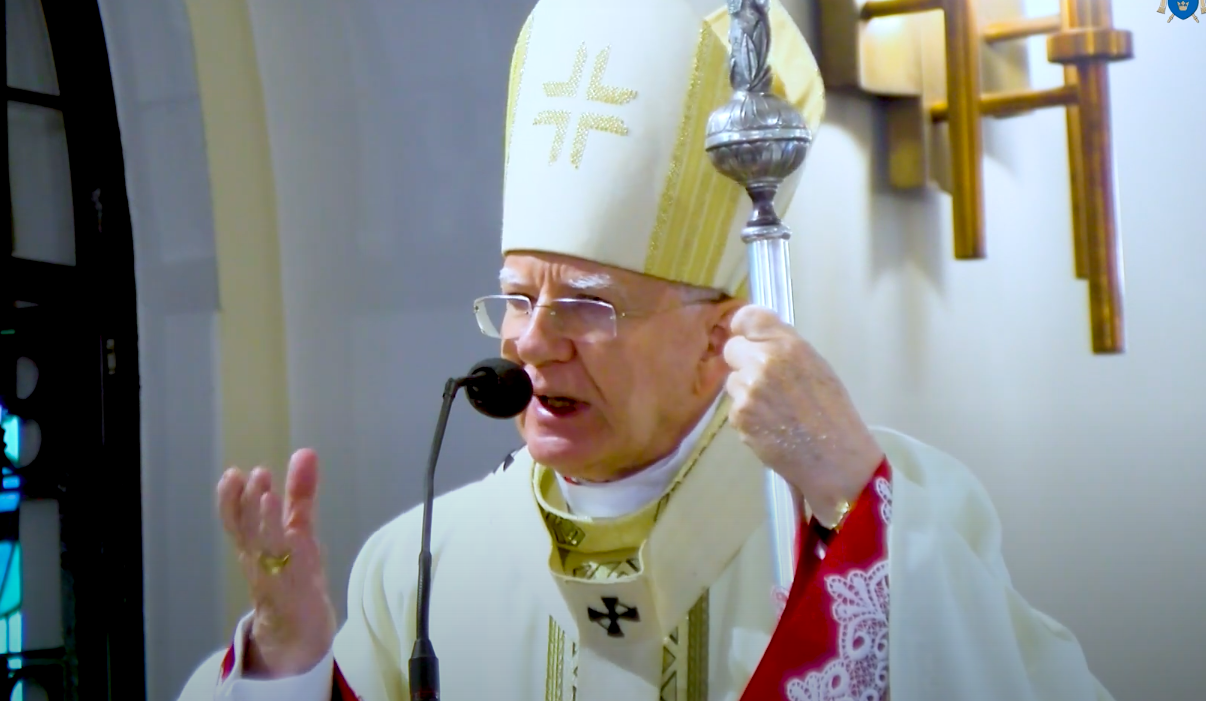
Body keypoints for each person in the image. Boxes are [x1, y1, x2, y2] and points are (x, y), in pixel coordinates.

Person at [178, 0, 1114, 699]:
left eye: (587, 304)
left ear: (719, 337)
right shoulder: (419, 564)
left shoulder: (872, 509)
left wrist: (856, 503)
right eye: (516, 297)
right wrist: (289, 659)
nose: (530, 340)